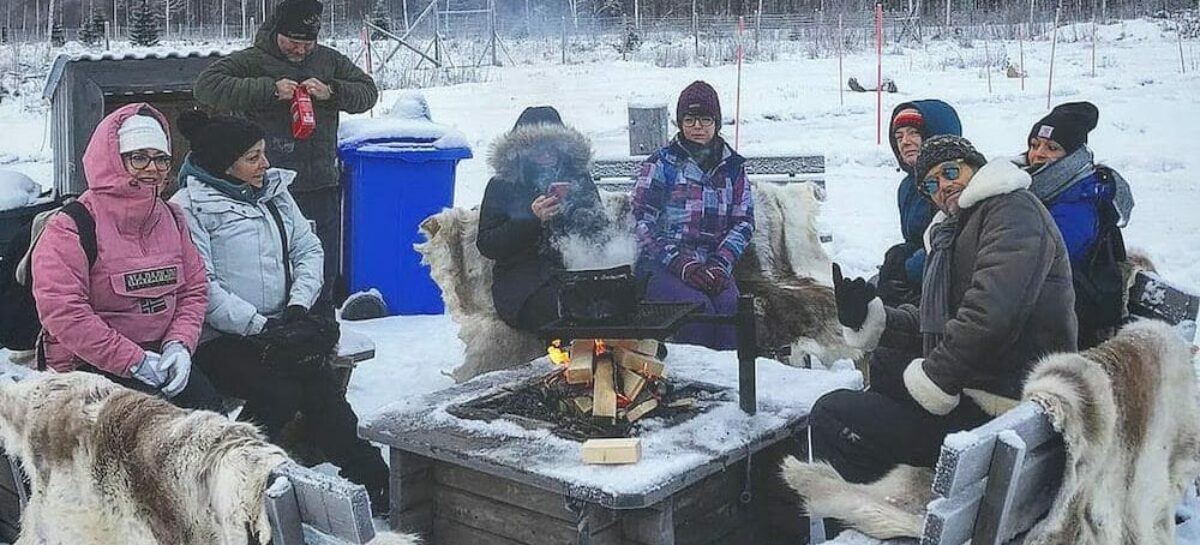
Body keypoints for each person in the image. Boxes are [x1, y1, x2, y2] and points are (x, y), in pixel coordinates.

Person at [810, 135, 1077, 489]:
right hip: (990, 392)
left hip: (1004, 408)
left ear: (976, 168)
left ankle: (872, 511)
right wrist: (874, 318)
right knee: (885, 366)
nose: (943, 187)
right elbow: (936, 317)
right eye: (931, 184)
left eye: (951, 172)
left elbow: (991, 315)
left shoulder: (1012, 210)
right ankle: (888, 487)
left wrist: (936, 379)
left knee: (831, 414)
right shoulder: (958, 227)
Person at [169, 110, 389, 513]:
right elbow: (203, 287)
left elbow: (308, 249)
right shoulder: (188, 208)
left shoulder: (272, 192)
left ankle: (373, 479)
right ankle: (234, 479)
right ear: (224, 163)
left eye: (263, 153)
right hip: (220, 336)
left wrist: (297, 306)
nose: (265, 164)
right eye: (252, 157)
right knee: (281, 390)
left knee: (317, 381)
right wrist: (260, 326)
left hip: (282, 323)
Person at [31, 103, 220, 411]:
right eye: (139, 157)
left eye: (161, 158)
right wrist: (134, 361)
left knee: (211, 418)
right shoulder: (73, 225)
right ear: (114, 160)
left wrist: (180, 344)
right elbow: (64, 311)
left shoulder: (172, 217)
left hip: (161, 354)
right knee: (147, 428)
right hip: (89, 363)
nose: (152, 168)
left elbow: (193, 289)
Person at [193, 0, 379, 312]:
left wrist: (332, 92)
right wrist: (269, 90)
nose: (300, 50)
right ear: (277, 31)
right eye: (293, 42)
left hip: (321, 186)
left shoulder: (329, 60)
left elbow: (368, 92)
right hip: (267, 189)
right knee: (275, 272)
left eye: (307, 43)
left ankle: (322, 329)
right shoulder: (252, 60)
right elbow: (206, 86)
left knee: (320, 270)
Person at [631, 81, 754, 350]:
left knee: (732, 309)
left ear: (716, 123)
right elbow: (641, 222)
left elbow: (743, 222)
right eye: (690, 119)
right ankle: (696, 374)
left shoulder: (733, 168)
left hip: (713, 264)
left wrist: (720, 263)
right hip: (664, 265)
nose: (698, 126)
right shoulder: (661, 164)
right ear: (680, 123)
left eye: (705, 119)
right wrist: (682, 264)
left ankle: (733, 375)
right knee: (698, 311)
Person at [476, 106, 606, 332]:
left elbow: (601, 230)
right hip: (522, 283)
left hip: (577, 270)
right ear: (522, 151)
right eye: (538, 149)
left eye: (552, 148)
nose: (546, 155)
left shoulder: (578, 178)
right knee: (565, 309)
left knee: (616, 302)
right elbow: (488, 244)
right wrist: (530, 220)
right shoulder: (503, 184)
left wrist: (578, 216)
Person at [1016, 101, 1134, 348]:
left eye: (1052, 147)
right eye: (1034, 145)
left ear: (1072, 156)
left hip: (1072, 315)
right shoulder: (1040, 187)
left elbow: (1045, 260)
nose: (1038, 153)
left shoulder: (1078, 204)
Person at [876, 100, 963, 307]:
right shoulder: (908, 187)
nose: (904, 142)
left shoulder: (957, 179)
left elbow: (957, 242)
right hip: (920, 278)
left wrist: (907, 268)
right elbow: (914, 239)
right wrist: (899, 257)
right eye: (899, 137)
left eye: (914, 133)